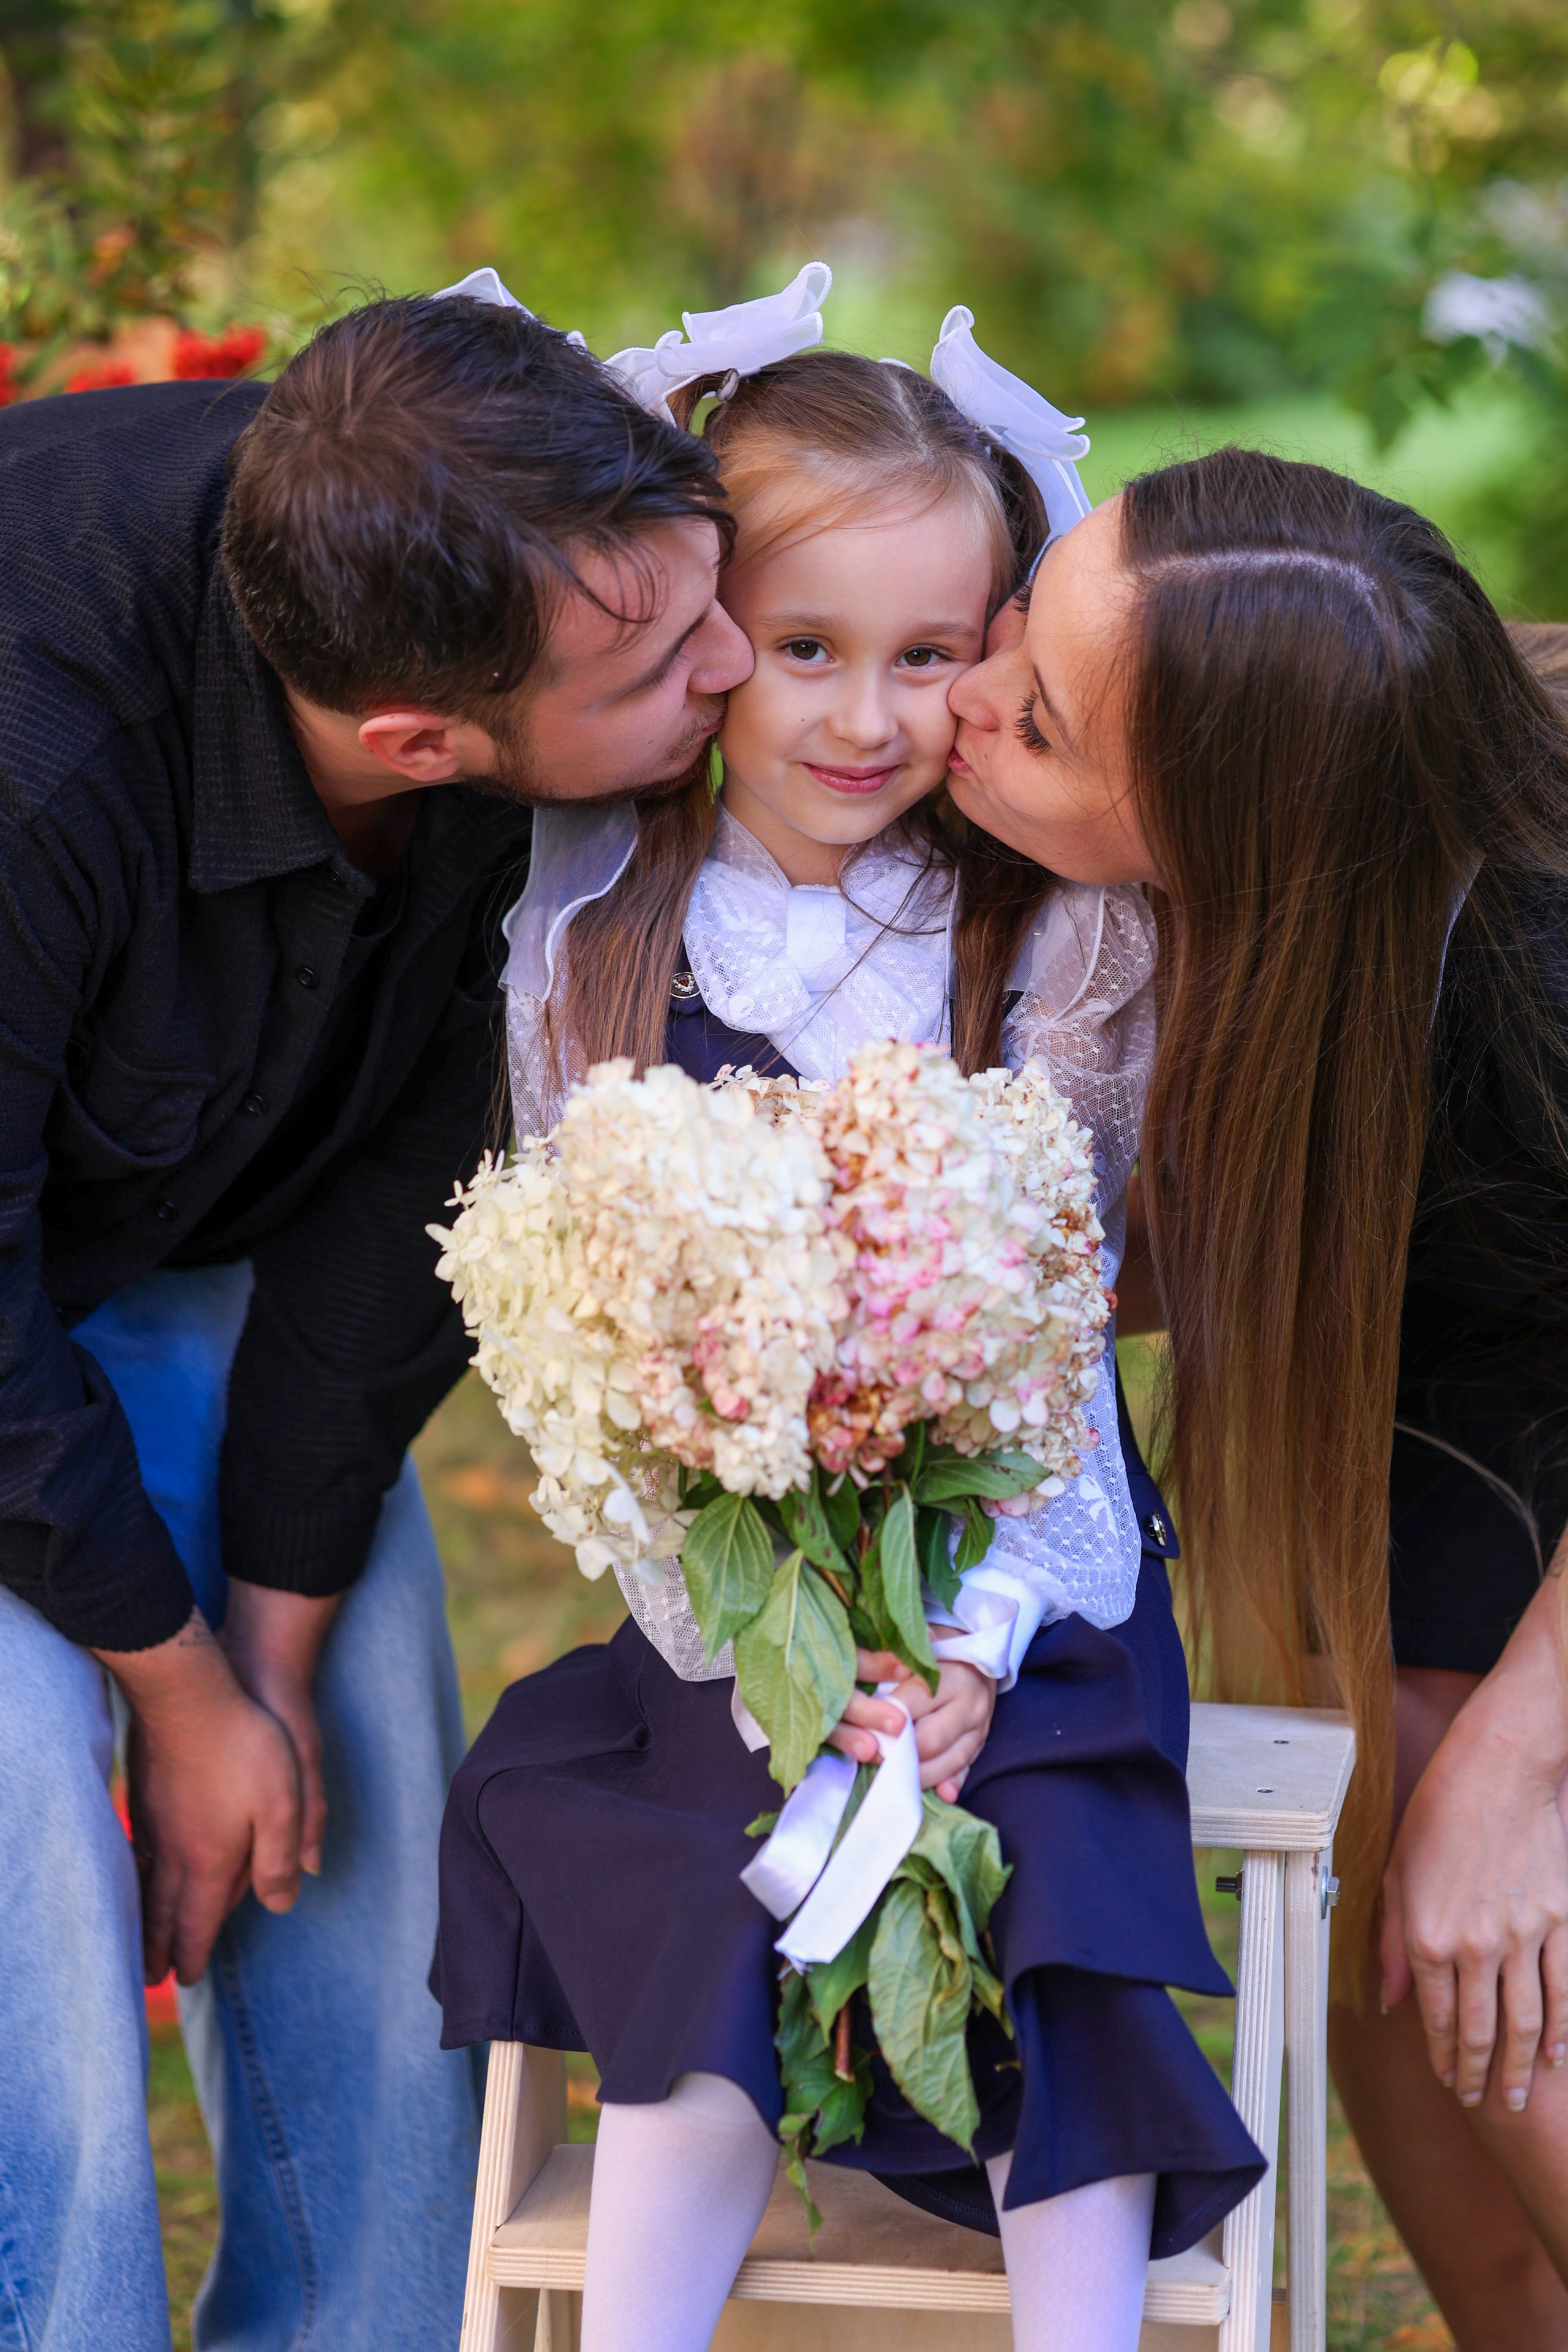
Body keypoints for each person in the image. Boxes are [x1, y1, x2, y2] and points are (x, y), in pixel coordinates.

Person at [434, 294, 1264, 2352]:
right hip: (724, 1611)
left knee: (1033, 1874)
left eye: (931, 656)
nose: (866, 717)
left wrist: (957, 1655)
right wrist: (780, 1653)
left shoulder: (1047, 938)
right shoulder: (594, 938)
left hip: (1029, 1593)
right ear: (708, 635)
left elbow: (1064, 1343)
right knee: (715, 1900)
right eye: (806, 649)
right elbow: (597, 1366)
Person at [0, 278, 753, 2352]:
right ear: (421, 745)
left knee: (355, 1801)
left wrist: (263, 1661)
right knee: (30, 1885)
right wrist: (167, 1696)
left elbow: (397, 1198)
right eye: (663, 657)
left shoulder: (460, 539)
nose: (734, 664)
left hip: (196, 1244)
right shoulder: (40, 756)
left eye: (712, 595)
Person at [943, 455, 1568, 2351]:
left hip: (1520, 1412)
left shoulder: (1537, 965)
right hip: (1444, 1400)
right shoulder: (1277, 886)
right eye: (1010, 626)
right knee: (1371, 1836)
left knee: (1473, 1887)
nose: (962, 697)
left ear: (1227, 831)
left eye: (1034, 720)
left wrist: (1513, 1782)